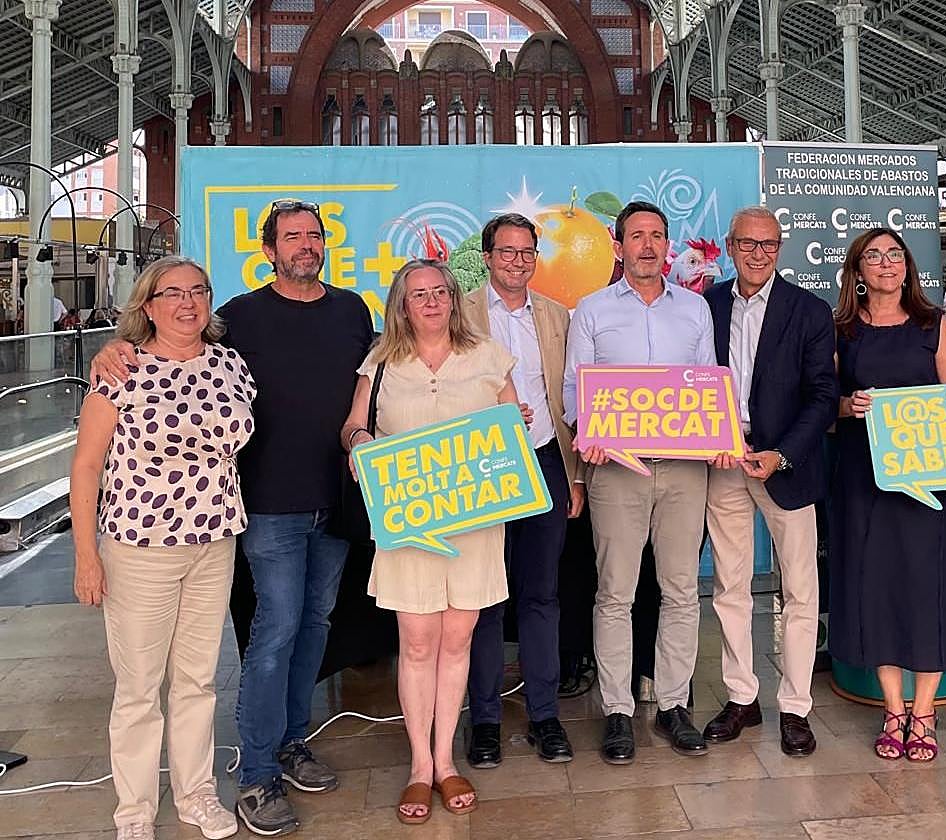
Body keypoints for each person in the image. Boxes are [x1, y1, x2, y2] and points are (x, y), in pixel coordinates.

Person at [91, 199, 375, 835]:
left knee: (314, 625)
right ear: (269, 250)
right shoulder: (238, 318)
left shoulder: (353, 309)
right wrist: (109, 349)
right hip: (264, 508)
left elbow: (380, 378)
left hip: (334, 502)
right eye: (291, 236)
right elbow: (165, 343)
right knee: (273, 633)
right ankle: (256, 774)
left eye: (314, 235)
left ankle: (291, 742)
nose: (305, 244)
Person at [71, 256, 256, 840]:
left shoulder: (229, 364)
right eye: (172, 293)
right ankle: (134, 812)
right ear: (147, 306)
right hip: (139, 546)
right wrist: (85, 555)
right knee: (139, 687)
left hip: (214, 540)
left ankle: (197, 796)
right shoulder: (120, 370)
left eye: (198, 292)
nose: (188, 303)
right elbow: (85, 467)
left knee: (198, 681)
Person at [341, 260, 525, 824]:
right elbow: (351, 425)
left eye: (440, 292)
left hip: (474, 523)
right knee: (417, 641)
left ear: (453, 298)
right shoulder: (380, 361)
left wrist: (516, 420)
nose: (430, 301)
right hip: (410, 523)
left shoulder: (489, 357)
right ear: (401, 303)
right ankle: (421, 766)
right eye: (418, 294)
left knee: (458, 638)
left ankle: (447, 760)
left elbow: (512, 427)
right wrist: (360, 441)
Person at [563, 200, 716, 764]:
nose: (648, 246)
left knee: (680, 590)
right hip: (616, 471)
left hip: (683, 469)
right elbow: (574, 391)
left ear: (667, 245)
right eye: (637, 237)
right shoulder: (592, 309)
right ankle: (619, 711)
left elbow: (707, 385)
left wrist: (717, 431)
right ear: (618, 245)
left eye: (657, 236)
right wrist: (589, 430)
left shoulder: (695, 309)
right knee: (615, 594)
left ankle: (674, 705)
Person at [829, 228, 946, 763]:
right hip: (865, 482)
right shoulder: (841, 330)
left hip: (929, 484)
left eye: (895, 255)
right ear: (858, 271)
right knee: (878, 590)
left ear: (908, 267)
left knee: (927, 587)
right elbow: (827, 404)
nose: (886, 264)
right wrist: (850, 407)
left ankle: (926, 712)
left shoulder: (935, 327)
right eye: (874, 256)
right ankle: (894, 710)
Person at [700, 206, 837, 757]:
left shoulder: (808, 310)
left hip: (786, 464)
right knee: (730, 586)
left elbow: (824, 394)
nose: (758, 253)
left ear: (779, 249)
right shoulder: (704, 306)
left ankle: (796, 707)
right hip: (723, 461)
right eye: (748, 244)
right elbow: (688, 383)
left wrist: (781, 454)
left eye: (769, 244)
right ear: (730, 247)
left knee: (799, 591)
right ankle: (741, 698)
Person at [461, 214, 585, 768]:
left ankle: (544, 716)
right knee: (485, 598)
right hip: (483, 468)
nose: (517, 260)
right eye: (506, 251)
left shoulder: (559, 317)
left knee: (541, 595)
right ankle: (484, 722)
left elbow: (574, 397)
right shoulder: (455, 310)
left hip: (545, 461)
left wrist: (576, 474)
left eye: (526, 251)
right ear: (487, 256)